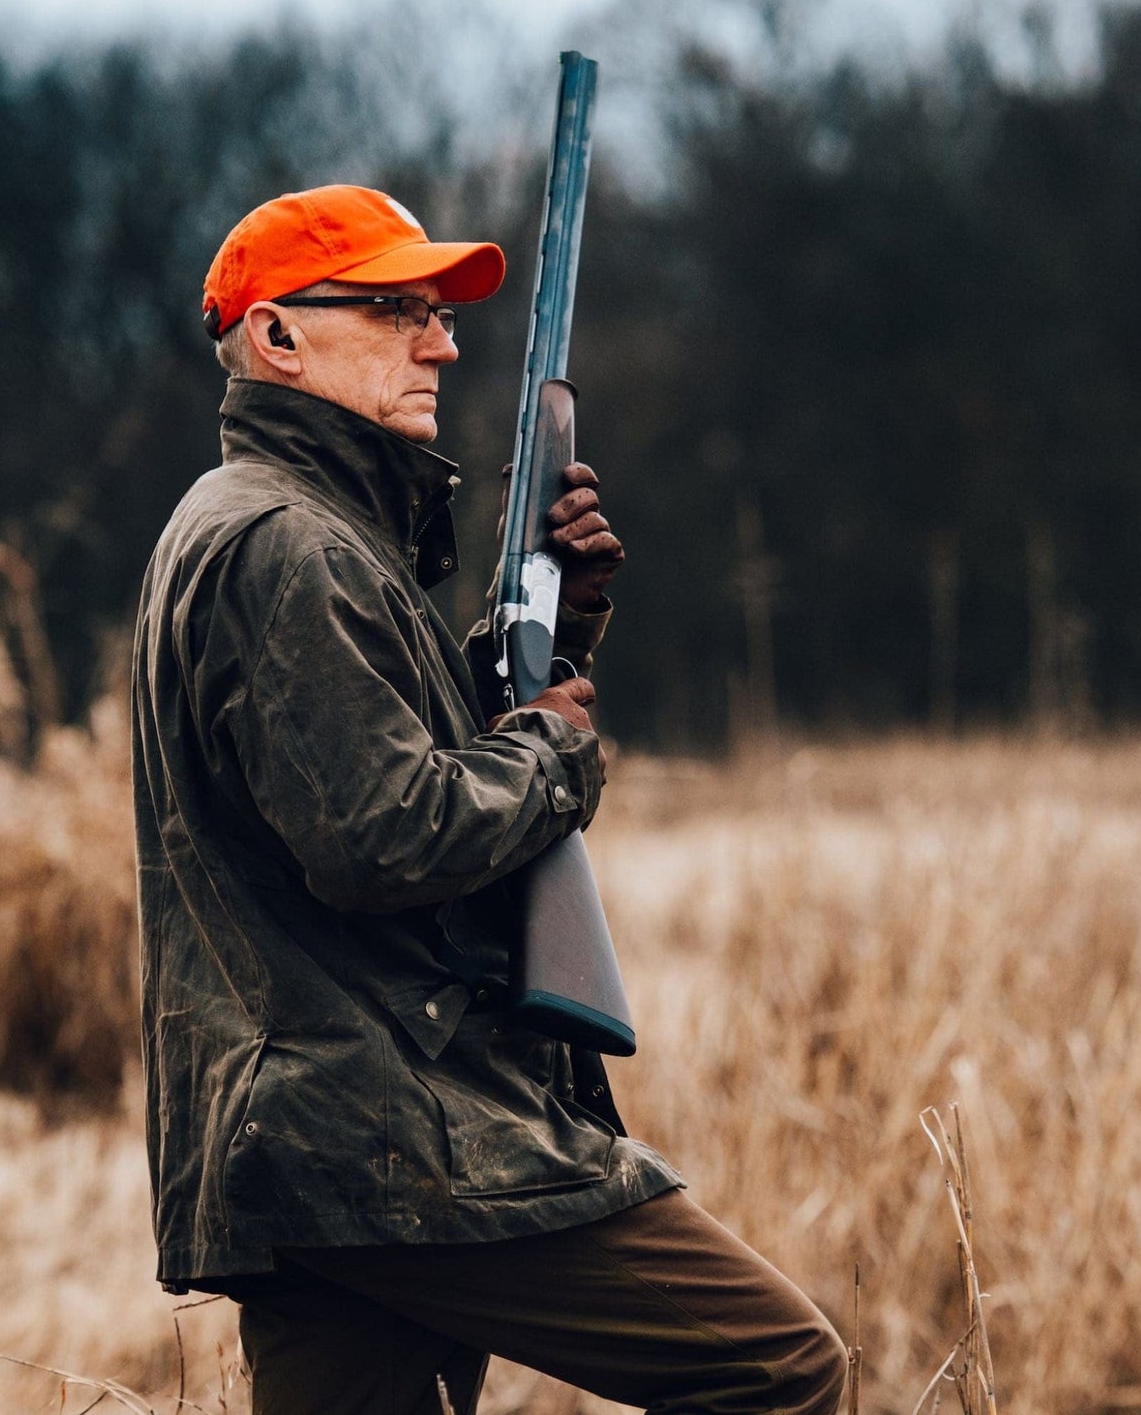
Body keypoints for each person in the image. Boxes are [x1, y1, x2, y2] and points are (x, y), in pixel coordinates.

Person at [131, 184, 848, 1415]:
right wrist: (555, 756)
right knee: (775, 1366)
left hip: (306, 1148)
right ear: (277, 336)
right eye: (395, 309)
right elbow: (379, 832)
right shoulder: (286, 543)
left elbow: (350, 762)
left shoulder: (277, 527)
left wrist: (545, 632)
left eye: (439, 314)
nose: (442, 342)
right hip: (384, 1126)